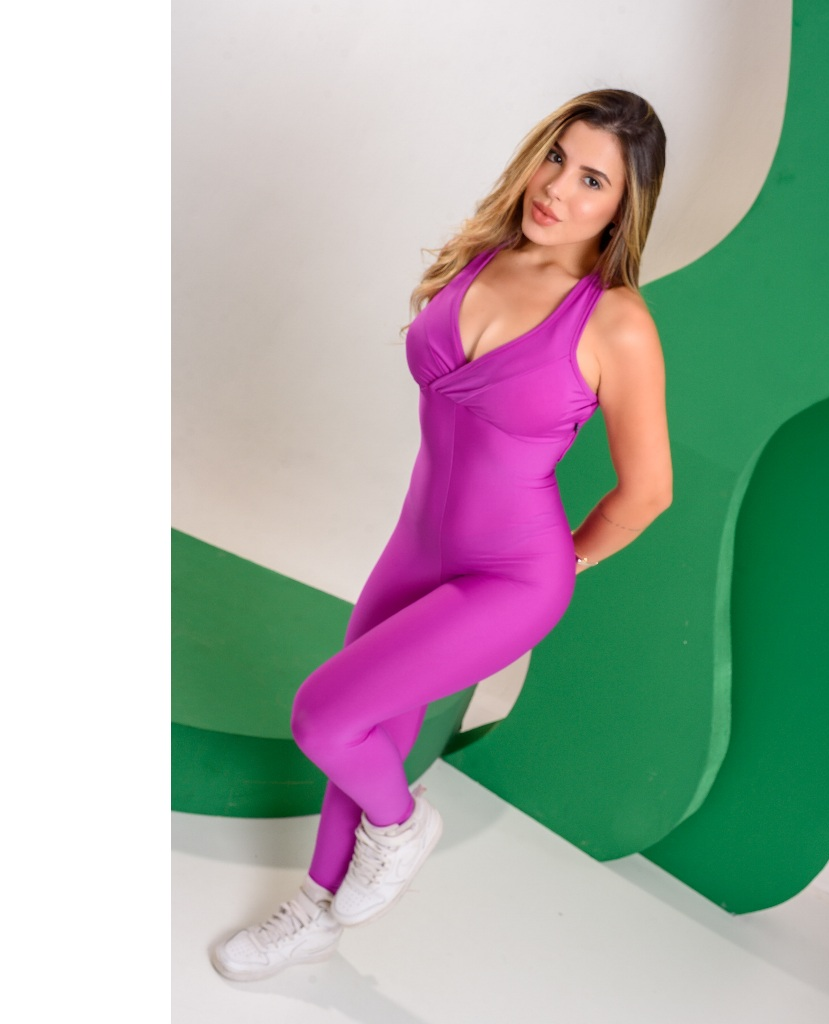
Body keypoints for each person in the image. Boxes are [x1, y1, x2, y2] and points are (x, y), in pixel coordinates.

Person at [212, 88, 672, 982]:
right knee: (367, 730)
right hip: (416, 544)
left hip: (512, 577)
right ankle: (315, 914)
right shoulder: (489, 253)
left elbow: (649, 490)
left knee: (323, 717)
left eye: (592, 180)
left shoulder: (615, 322)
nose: (557, 189)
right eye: (556, 157)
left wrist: (567, 561)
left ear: (624, 205)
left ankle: (399, 826)